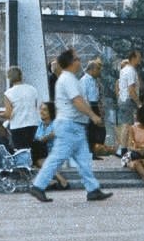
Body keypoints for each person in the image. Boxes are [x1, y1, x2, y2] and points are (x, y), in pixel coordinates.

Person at [28, 48, 112, 204]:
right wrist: (93, 116)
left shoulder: (70, 79)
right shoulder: (68, 79)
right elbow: (77, 101)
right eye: (77, 59)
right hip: (69, 125)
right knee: (58, 157)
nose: (80, 61)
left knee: (83, 159)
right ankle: (38, 185)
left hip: (74, 125)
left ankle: (93, 189)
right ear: (71, 62)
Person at [2, 66, 41, 152]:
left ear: (9, 78)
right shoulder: (32, 89)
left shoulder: (8, 93)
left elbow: (8, 115)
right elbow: (35, 107)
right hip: (33, 124)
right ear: (21, 75)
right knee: (32, 150)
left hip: (18, 125)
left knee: (21, 151)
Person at [115, 50, 141, 152]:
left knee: (127, 125)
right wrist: (139, 103)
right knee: (127, 125)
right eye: (139, 57)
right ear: (133, 58)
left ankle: (125, 149)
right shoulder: (130, 71)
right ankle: (124, 150)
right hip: (128, 101)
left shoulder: (124, 70)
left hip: (123, 99)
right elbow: (131, 89)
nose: (140, 59)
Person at [82, 58, 108, 154]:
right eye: (97, 69)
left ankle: (96, 149)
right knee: (91, 131)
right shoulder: (84, 80)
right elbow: (84, 96)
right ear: (91, 69)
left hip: (96, 106)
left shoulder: (95, 80)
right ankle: (90, 151)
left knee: (101, 130)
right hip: (89, 107)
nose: (99, 71)